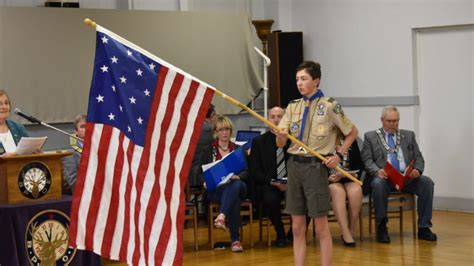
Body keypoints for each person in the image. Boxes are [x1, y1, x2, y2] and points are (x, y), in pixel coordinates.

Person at [276, 61, 358, 266]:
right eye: (297, 79)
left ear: (316, 80)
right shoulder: (293, 106)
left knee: (320, 226)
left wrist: (338, 154)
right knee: (296, 226)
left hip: (315, 167)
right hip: (294, 166)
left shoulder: (330, 105)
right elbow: (280, 143)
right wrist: (280, 135)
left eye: (304, 79)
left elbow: (352, 132)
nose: (299, 83)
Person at [361, 105, 437, 243]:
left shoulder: (408, 135)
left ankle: (424, 227)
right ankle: (382, 227)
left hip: (406, 178)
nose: (392, 124)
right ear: (382, 120)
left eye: (395, 121)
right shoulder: (370, 137)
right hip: (384, 178)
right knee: (377, 184)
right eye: (389, 121)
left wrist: (417, 170)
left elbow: (418, 157)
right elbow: (367, 160)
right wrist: (377, 171)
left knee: (427, 183)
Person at [198, 115, 248, 252]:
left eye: (227, 129)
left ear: (231, 131)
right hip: (217, 190)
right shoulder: (208, 151)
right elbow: (199, 173)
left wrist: (238, 176)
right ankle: (235, 241)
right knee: (234, 197)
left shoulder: (239, 150)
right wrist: (204, 182)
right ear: (216, 132)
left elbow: (247, 172)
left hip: (238, 184)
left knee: (236, 185)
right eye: (221, 130)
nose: (224, 133)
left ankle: (222, 216)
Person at [249, 106, 291, 247]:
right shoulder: (259, 142)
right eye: (273, 117)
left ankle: (292, 234)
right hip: (269, 184)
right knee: (270, 199)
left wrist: (290, 182)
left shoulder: (293, 140)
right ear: (267, 120)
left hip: (291, 183)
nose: (276, 120)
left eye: (280, 116)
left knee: (307, 196)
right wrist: (273, 182)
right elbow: (254, 171)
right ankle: (280, 233)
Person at [328, 134, 363, 247]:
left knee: (356, 190)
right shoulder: (322, 139)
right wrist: (327, 177)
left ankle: (351, 229)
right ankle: (345, 232)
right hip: (330, 179)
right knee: (338, 191)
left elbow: (359, 162)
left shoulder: (350, 140)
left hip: (347, 177)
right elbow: (317, 163)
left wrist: (355, 174)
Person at [0, 89, 29, 156]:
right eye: (0, 104)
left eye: (6, 103)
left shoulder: (18, 128)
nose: (4, 107)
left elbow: (28, 153)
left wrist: (35, 154)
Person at [62, 114, 86, 193]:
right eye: (83, 126)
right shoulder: (70, 154)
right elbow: (74, 183)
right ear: (76, 131)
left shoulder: (99, 149)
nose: (87, 129)